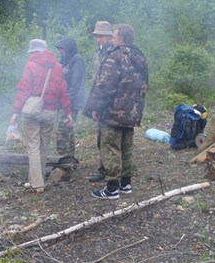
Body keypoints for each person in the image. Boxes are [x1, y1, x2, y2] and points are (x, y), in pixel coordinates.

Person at [84, 24, 149, 199]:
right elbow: (143, 86)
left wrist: (95, 108)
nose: (112, 39)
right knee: (126, 147)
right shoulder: (140, 57)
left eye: (113, 36)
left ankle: (112, 188)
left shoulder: (115, 57)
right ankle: (125, 184)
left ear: (120, 38)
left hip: (113, 112)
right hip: (132, 111)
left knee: (110, 147)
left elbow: (106, 86)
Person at [10, 39, 73, 193]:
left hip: (32, 111)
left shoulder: (30, 66)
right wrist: (68, 112)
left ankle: (37, 184)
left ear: (33, 52)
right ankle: (35, 180)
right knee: (44, 146)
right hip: (50, 112)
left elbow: (23, 91)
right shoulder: (57, 67)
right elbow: (62, 92)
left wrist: (16, 112)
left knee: (33, 146)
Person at [88, 21, 115, 183]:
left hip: (111, 102)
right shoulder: (98, 53)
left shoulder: (115, 52)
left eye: (101, 36)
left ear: (110, 36)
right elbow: (95, 79)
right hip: (99, 99)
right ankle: (103, 168)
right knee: (101, 138)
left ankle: (113, 171)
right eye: (97, 36)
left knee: (110, 139)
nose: (98, 39)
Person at [55, 36, 86, 157]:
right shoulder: (65, 60)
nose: (61, 51)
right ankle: (68, 159)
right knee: (67, 130)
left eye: (63, 49)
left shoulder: (77, 59)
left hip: (71, 102)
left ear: (69, 48)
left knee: (64, 130)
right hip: (64, 101)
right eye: (60, 49)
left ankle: (64, 159)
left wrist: (67, 104)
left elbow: (75, 84)